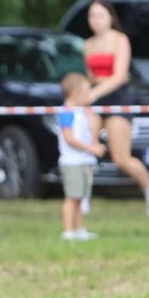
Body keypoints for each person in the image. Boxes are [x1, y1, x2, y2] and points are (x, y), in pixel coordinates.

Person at [82, 0, 149, 217]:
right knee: (85, 147)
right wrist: (86, 93)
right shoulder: (88, 44)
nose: (96, 20)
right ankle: (81, 197)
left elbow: (119, 76)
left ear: (110, 17)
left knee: (121, 158)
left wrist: (93, 93)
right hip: (94, 98)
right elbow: (90, 76)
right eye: (92, 16)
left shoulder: (120, 40)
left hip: (117, 97)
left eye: (100, 15)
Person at [57, 73, 105, 241]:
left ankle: (78, 228)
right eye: (86, 91)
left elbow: (93, 128)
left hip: (84, 161)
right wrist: (90, 148)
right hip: (72, 162)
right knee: (72, 197)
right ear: (74, 92)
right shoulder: (67, 112)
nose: (88, 95)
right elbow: (68, 138)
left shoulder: (82, 112)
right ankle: (68, 230)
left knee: (80, 198)